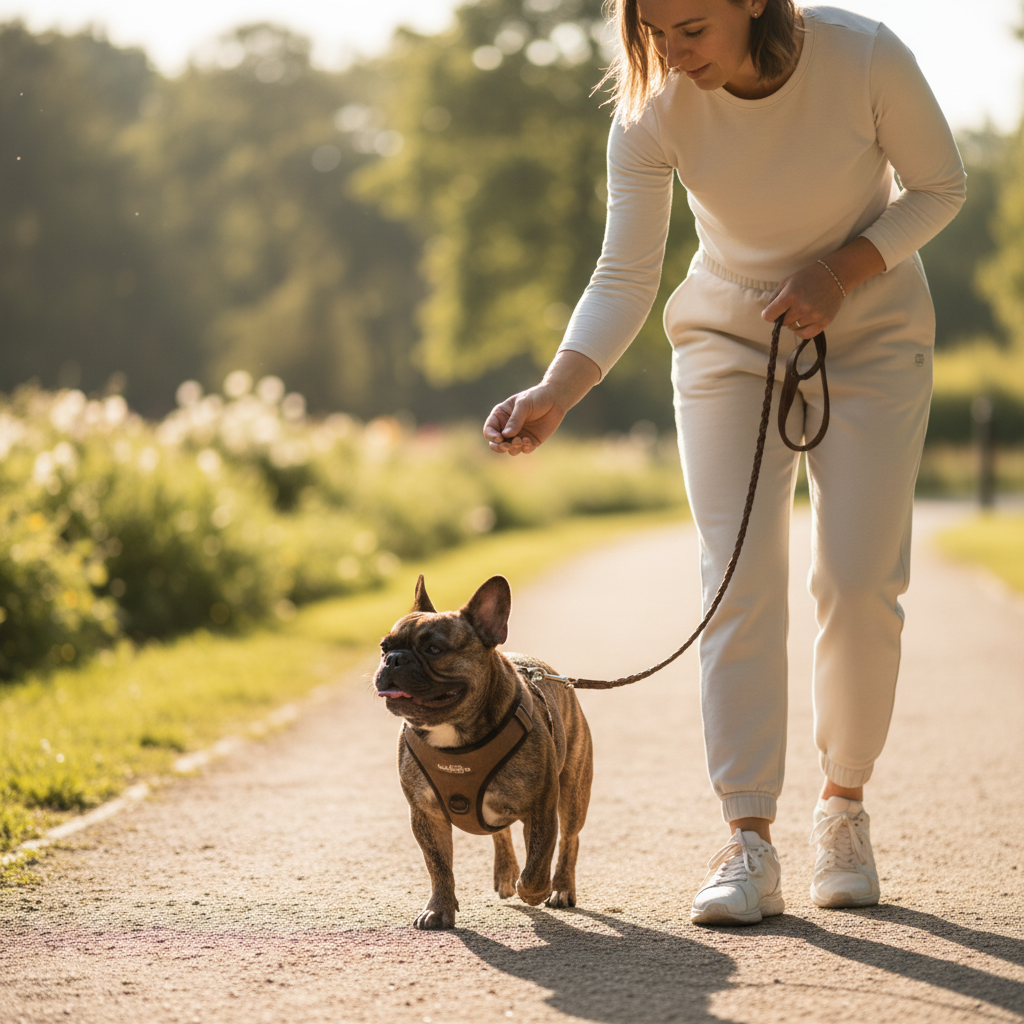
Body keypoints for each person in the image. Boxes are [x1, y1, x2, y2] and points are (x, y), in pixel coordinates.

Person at [483, 0, 965, 925]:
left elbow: (940, 188)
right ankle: (748, 838)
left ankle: (844, 809)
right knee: (737, 576)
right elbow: (625, 273)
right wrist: (555, 393)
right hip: (729, 336)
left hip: (870, 325)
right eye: (654, 32)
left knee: (860, 581)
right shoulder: (653, 104)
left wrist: (840, 273)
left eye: (692, 27)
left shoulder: (862, 54)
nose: (672, 52)